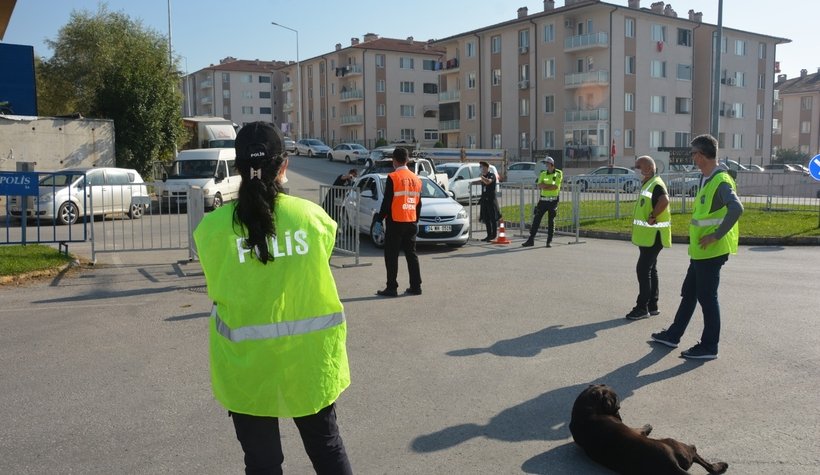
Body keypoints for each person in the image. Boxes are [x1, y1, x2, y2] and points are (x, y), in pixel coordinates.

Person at [193, 122, 353, 474]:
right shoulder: (313, 218)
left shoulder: (211, 230)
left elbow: (217, 282)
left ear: (237, 168)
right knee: (327, 450)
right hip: (309, 363)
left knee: (263, 463)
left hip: (247, 367)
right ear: (284, 166)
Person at [651, 134, 744, 360]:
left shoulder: (720, 180)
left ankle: (709, 346)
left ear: (701, 155)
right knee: (690, 293)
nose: (692, 157)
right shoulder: (708, 178)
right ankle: (673, 335)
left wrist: (715, 235)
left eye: (693, 153)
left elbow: (736, 208)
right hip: (701, 252)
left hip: (712, 252)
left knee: (706, 297)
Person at [625, 155, 671, 321]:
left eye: (640, 166)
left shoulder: (656, 184)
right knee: (651, 269)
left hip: (653, 236)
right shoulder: (650, 183)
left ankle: (642, 307)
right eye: (637, 166)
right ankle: (652, 305)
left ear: (650, 168)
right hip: (649, 236)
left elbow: (664, 200)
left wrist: (653, 215)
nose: (638, 170)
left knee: (643, 270)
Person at [374, 146, 423, 297]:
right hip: (411, 220)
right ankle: (416, 286)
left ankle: (391, 287)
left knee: (391, 254)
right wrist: (416, 220)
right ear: (407, 160)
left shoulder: (393, 177)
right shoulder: (417, 179)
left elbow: (387, 202)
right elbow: (419, 203)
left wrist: (379, 219)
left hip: (395, 221)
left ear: (394, 161)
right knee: (411, 254)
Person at [522, 156, 562, 248]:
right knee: (536, 220)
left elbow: (555, 186)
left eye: (547, 164)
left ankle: (549, 241)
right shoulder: (543, 173)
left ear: (551, 164)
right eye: (545, 164)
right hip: (543, 200)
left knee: (551, 221)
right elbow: (540, 185)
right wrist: (548, 185)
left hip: (553, 201)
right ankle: (531, 240)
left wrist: (545, 186)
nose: (546, 165)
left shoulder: (558, 173)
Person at [478, 161, 501, 242]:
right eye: (480, 167)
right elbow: (482, 182)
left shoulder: (491, 175)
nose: (481, 169)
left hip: (491, 200)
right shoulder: (483, 176)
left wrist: (482, 177)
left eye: (483, 167)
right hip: (484, 200)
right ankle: (488, 235)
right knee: (486, 219)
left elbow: (488, 182)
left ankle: (493, 235)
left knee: (492, 218)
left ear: (487, 168)